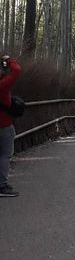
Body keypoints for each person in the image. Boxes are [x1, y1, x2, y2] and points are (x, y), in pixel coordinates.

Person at [0, 55, 21, 197]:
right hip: (4, 126)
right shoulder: (2, 85)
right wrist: (9, 60)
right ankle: (2, 186)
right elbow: (17, 70)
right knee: (5, 156)